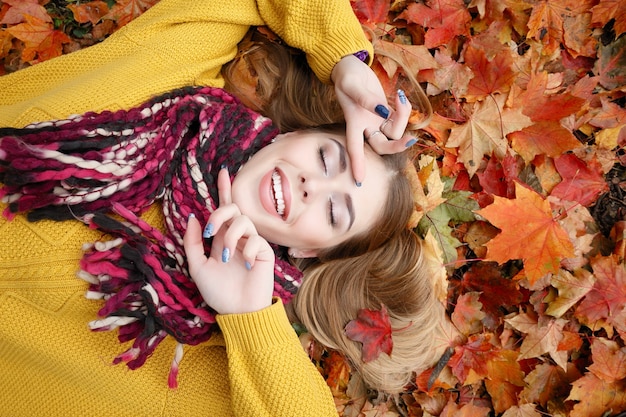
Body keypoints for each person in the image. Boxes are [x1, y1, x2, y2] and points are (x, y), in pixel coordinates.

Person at [0, 1, 445, 416]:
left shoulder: (194, 350)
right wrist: (345, 61)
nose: (313, 185)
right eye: (328, 158)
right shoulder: (182, 66)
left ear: (312, 253)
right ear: (292, 134)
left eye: (334, 213)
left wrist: (249, 320)